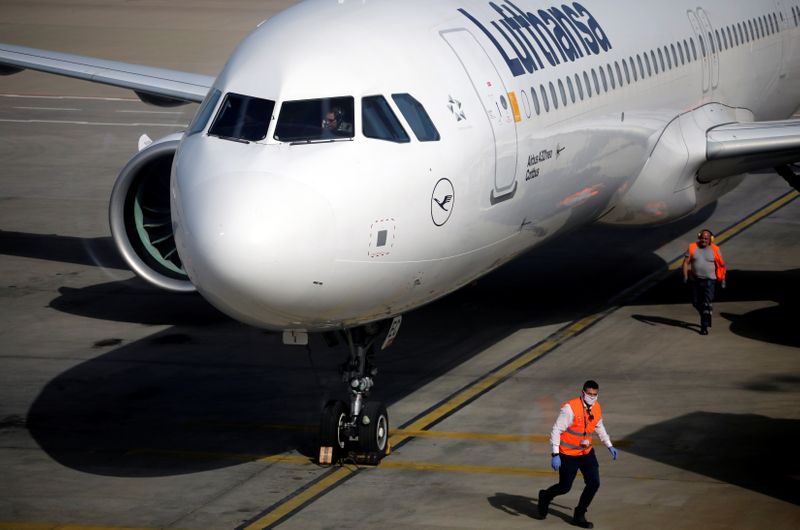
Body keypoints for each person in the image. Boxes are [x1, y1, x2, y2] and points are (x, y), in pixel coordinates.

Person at [538, 380, 617, 529]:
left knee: (594, 483)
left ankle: (579, 514)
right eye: (589, 394)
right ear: (583, 393)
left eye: (595, 394)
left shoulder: (597, 407)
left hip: (586, 453)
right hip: (568, 454)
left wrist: (609, 445)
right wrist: (555, 454)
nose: (592, 397)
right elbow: (556, 430)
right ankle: (545, 496)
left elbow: (599, 426)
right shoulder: (570, 408)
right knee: (564, 487)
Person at [682, 229, 726, 335]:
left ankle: (704, 326)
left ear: (710, 239)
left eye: (706, 238)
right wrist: (685, 276)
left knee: (706, 304)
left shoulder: (715, 249)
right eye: (702, 238)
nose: (703, 240)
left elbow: (721, 265)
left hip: (710, 281)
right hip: (695, 280)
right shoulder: (692, 247)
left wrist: (723, 279)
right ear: (699, 237)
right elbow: (685, 263)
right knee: (696, 303)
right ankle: (706, 314)